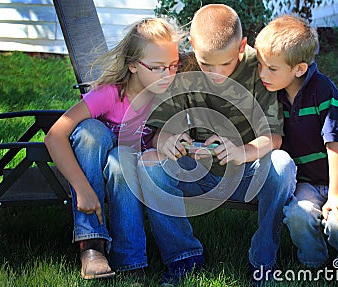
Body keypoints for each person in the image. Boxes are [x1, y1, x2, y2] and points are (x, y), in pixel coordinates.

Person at [137, 4, 296, 285]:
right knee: (149, 162)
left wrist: (241, 151)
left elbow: (274, 137)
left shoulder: (258, 67)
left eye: (225, 63)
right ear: (192, 46)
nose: (216, 72)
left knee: (281, 164)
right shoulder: (184, 66)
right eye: (206, 63)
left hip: (247, 174)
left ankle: (262, 261)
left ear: (242, 46)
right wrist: (169, 141)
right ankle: (182, 256)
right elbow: (157, 131)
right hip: (199, 169)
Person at [44, 17, 183, 279]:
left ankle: (130, 263)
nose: (168, 75)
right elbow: (54, 136)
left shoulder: (164, 97)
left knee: (122, 159)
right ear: (132, 65)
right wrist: (83, 190)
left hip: (126, 171)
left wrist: (166, 140)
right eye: (158, 67)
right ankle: (91, 242)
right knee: (90, 131)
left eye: (173, 66)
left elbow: (155, 138)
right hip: (92, 165)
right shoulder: (109, 94)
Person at [254, 14, 338, 271]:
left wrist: (336, 194)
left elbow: (335, 144)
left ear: (299, 69)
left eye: (271, 68)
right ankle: (313, 264)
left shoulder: (323, 90)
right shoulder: (274, 94)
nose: (262, 73)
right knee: (298, 216)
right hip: (305, 182)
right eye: (260, 65)